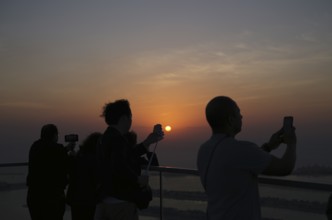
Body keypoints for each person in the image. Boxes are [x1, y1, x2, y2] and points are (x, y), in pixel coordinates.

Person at [197, 96, 297, 220]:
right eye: (239, 113)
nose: (242, 116)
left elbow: (240, 162)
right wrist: (292, 142)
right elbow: (285, 167)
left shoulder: (204, 149)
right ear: (230, 120)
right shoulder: (242, 149)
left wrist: (269, 146)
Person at [95, 99, 164, 220]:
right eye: (130, 117)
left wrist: (147, 143)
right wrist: (138, 179)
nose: (131, 120)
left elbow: (126, 156)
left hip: (105, 200)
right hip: (120, 203)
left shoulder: (105, 137)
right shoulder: (117, 139)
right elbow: (118, 165)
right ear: (123, 118)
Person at [26, 124, 74, 220]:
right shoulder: (58, 149)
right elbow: (67, 166)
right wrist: (71, 155)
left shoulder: (35, 146)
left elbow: (47, 156)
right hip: (53, 196)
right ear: (54, 135)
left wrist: (64, 150)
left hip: (34, 195)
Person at [66, 132, 102, 220]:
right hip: (88, 200)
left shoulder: (79, 155)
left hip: (75, 199)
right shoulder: (94, 159)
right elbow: (97, 180)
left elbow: (71, 174)